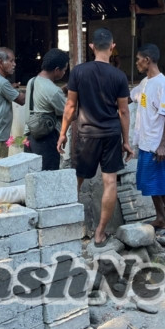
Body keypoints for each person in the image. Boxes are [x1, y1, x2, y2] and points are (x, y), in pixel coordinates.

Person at [57, 28, 132, 247]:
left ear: (91, 47)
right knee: (110, 182)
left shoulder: (78, 72)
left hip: (87, 134)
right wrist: (126, 141)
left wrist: (62, 134)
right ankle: (99, 234)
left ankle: (63, 230)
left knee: (78, 179)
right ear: (112, 46)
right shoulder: (119, 76)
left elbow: (70, 106)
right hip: (110, 134)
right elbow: (124, 112)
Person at [129, 43, 165, 238]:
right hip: (145, 143)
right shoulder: (145, 83)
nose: (136, 63)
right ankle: (161, 218)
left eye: (138, 59)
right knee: (151, 185)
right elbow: (131, 97)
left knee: (162, 185)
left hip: (156, 147)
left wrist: (162, 145)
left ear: (147, 60)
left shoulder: (161, 84)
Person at [25, 48, 69, 171]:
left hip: (30, 136)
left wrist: (62, 91)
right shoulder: (53, 91)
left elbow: (44, 100)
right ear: (56, 70)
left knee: (32, 177)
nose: (65, 72)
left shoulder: (32, 82)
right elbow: (68, 113)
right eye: (64, 69)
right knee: (48, 177)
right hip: (46, 139)